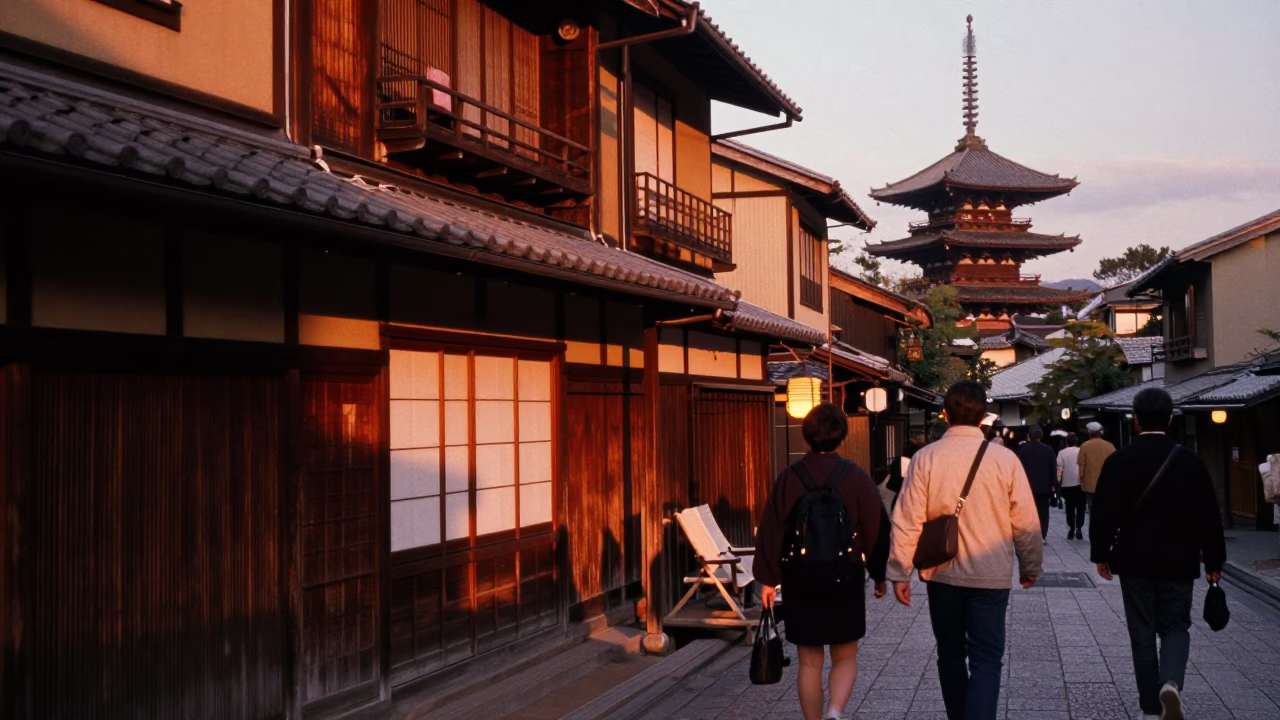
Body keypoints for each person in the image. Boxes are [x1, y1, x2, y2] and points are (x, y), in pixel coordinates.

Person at [888, 381, 1043, 720]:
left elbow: (907, 517)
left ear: (945, 414)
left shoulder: (925, 458)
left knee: (950, 654)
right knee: (987, 658)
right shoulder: (1005, 459)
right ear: (983, 416)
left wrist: (899, 571)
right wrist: (1030, 566)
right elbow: (1025, 520)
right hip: (991, 576)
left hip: (943, 575)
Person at [1090, 388, 1225, 720]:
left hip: (1134, 558)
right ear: (1169, 418)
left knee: (1142, 630)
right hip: (1180, 558)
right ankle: (1171, 684)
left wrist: (1101, 552)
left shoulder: (1119, 460)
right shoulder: (1190, 460)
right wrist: (1214, 559)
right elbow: (1208, 513)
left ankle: (1151, 708)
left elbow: (1104, 511)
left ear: (1134, 419)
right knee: (1176, 626)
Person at [756, 403, 888, 720]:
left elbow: (772, 528)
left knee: (809, 660)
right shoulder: (855, 476)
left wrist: (768, 579)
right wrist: (880, 574)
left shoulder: (790, 478)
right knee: (845, 655)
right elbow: (876, 527)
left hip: (800, 578)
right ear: (842, 436)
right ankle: (835, 711)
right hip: (845, 575)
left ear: (807, 436)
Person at [1016, 426, 1057, 540]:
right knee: (1043, 512)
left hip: (1027, 486)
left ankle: (1029, 532)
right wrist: (1054, 484)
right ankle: (1042, 534)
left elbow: (1020, 467)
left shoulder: (1023, 449)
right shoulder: (1048, 449)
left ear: (1029, 436)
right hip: (1044, 486)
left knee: (1028, 511)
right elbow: (1053, 468)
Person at [1078, 421, 1115, 518]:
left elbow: (1081, 466)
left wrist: (1081, 479)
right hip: (1107, 483)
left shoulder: (1084, 446)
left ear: (1089, 432)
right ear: (1100, 432)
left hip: (1090, 484)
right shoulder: (1110, 446)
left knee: (1092, 507)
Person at [1057, 433, 1085, 539]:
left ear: (1066, 442)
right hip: (1080, 483)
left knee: (1070, 508)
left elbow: (1059, 469)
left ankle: (1071, 528)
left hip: (1067, 484)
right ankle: (1079, 527)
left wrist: (1058, 481)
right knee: (1081, 507)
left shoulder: (1062, 453)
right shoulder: (1081, 450)